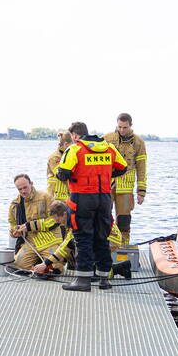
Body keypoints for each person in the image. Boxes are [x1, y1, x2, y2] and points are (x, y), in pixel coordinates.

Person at [55, 121, 128, 292]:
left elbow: (62, 173)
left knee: (83, 238)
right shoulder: (109, 148)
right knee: (102, 237)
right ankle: (104, 279)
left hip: (82, 198)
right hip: (104, 198)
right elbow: (123, 168)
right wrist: (105, 173)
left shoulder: (75, 149)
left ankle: (83, 280)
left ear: (74, 135)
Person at [27, 201, 132, 279]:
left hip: (111, 238)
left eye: (58, 219)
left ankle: (116, 270)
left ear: (64, 214)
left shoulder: (75, 221)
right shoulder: (71, 216)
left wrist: (45, 264)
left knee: (91, 273)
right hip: (102, 236)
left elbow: (64, 247)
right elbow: (66, 247)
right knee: (78, 252)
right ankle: (122, 268)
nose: (58, 222)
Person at [103, 113, 147, 245]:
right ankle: (105, 246)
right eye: (120, 127)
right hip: (107, 185)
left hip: (126, 188)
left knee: (124, 221)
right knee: (104, 218)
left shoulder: (138, 142)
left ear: (131, 125)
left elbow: (142, 168)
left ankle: (124, 246)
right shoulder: (106, 138)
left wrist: (141, 192)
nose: (122, 130)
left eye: (125, 127)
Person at [8, 174, 54, 253]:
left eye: (25, 187)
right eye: (20, 189)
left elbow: (54, 220)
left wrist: (30, 226)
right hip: (29, 243)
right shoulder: (14, 205)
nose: (23, 191)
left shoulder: (46, 197)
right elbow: (12, 223)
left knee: (53, 260)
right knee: (19, 261)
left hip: (50, 241)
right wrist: (14, 231)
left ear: (31, 184)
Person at [46, 132, 73, 201]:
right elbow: (61, 175)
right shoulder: (55, 157)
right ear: (66, 144)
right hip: (55, 197)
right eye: (73, 145)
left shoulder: (67, 156)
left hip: (65, 196)